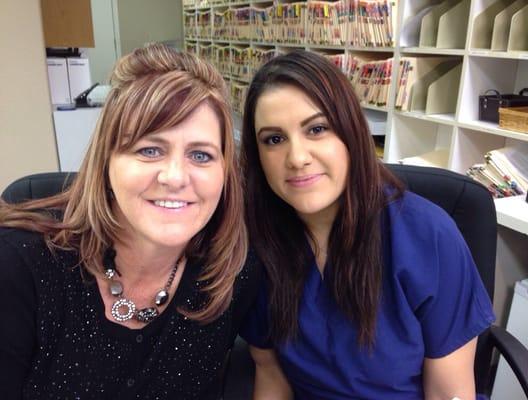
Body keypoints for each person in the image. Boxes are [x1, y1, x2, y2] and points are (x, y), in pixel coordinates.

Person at [0, 43, 261, 399]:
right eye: (149, 150)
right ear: (106, 164)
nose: (174, 177)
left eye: (200, 155)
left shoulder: (231, 275)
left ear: (225, 174)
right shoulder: (20, 266)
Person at [239, 50, 495, 400]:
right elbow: (271, 375)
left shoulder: (427, 236)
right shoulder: (260, 242)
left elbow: (449, 394)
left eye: (317, 129)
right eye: (274, 139)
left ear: (351, 133)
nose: (297, 158)